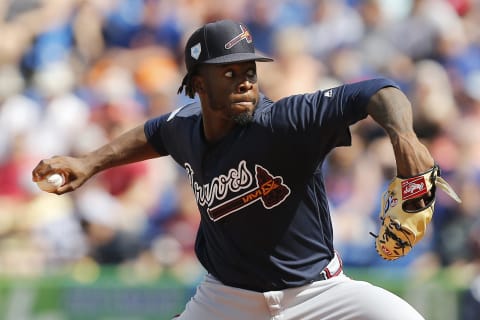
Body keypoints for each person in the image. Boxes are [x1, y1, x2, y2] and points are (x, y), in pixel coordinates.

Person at [32, 19, 431, 320]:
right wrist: (89, 162)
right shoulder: (184, 128)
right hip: (226, 300)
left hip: (318, 293)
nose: (244, 82)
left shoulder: (285, 122)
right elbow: (152, 133)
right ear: (198, 85)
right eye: (229, 72)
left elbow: (378, 90)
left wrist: (405, 139)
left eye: (249, 72)